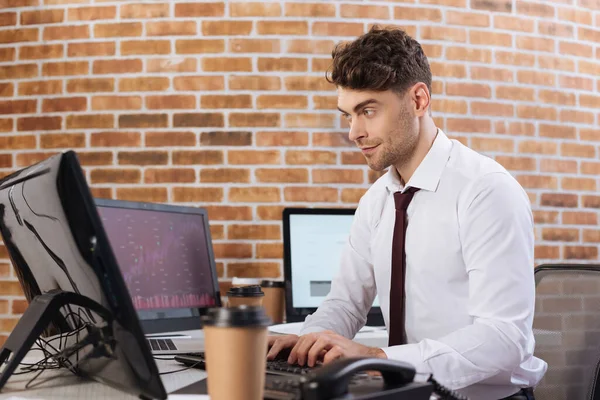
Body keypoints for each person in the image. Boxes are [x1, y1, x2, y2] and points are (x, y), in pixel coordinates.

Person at [266, 26, 547, 400]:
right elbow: (345, 305)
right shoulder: (378, 199)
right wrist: (302, 340)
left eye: (368, 111)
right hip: (402, 392)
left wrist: (378, 356)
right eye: (348, 115)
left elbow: (504, 338)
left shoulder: (486, 190)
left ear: (417, 100)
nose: (354, 132)